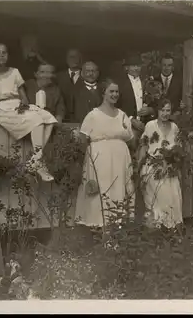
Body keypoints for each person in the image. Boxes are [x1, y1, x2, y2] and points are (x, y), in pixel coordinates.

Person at [0, 43, 57, 182]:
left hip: (17, 105)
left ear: (8, 55)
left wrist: (24, 101)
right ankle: (38, 163)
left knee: (49, 118)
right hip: (2, 108)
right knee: (38, 121)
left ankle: (35, 160)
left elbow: (22, 93)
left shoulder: (15, 71)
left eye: (4, 52)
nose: (1, 55)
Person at [74, 78, 135, 230]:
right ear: (103, 93)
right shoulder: (93, 115)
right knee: (102, 193)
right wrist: (89, 165)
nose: (115, 95)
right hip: (100, 161)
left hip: (120, 162)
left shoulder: (122, 115)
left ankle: (116, 229)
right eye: (111, 91)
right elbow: (83, 140)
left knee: (119, 192)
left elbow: (132, 140)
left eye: (117, 92)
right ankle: (99, 231)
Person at [138, 98, 183, 229]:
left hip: (169, 168)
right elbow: (144, 147)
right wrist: (139, 169)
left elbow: (178, 150)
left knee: (172, 198)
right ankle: (155, 229)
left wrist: (171, 163)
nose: (165, 113)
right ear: (157, 111)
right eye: (162, 110)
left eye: (168, 110)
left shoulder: (174, 127)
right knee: (155, 200)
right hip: (153, 167)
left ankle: (171, 230)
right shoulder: (150, 125)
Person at [116, 55, 154, 135]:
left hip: (147, 126)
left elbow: (158, 102)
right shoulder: (119, 84)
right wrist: (131, 119)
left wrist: (151, 110)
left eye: (138, 66)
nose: (136, 68)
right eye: (133, 66)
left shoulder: (147, 81)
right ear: (127, 68)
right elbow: (116, 106)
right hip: (126, 127)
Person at [55, 49, 83, 121]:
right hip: (62, 118)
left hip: (81, 118)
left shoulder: (86, 77)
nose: (74, 60)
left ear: (80, 59)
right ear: (66, 59)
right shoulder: (58, 77)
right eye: (71, 57)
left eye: (77, 57)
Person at [153, 53, 183, 118]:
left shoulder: (180, 82)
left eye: (169, 65)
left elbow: (183, 101)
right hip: (157, 118)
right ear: (160, 65)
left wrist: (179, 111)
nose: (166, 68)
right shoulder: (153, 81)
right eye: (164, 65)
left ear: (173, 67)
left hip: (174, 118)